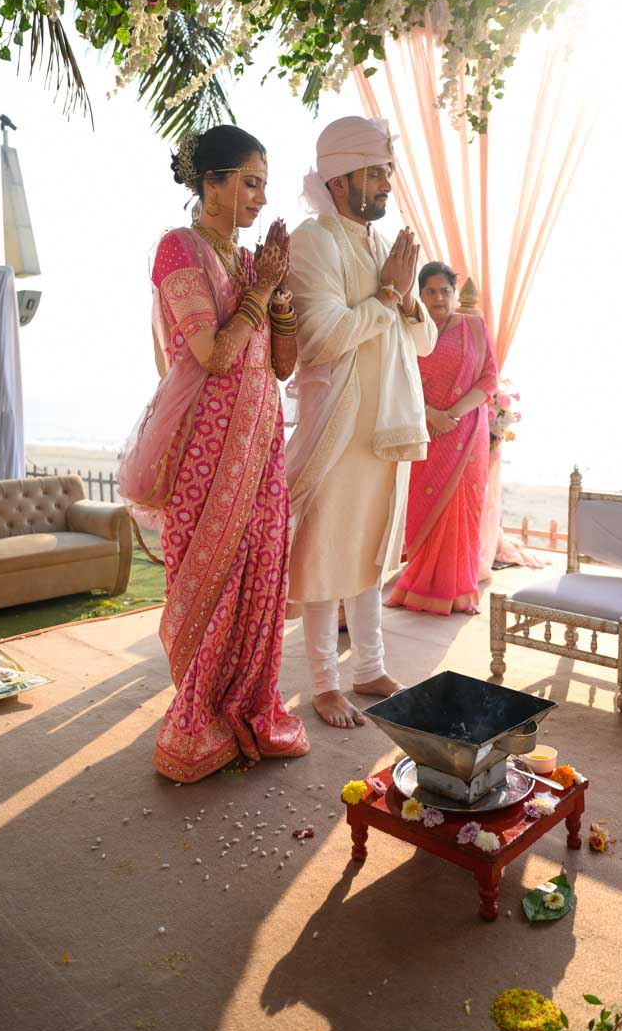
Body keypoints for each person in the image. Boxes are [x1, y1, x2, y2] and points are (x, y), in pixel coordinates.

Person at [118, 125, 308, 781]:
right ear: (212, 183)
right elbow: (214, 354)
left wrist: (278, 292)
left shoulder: (252, 262)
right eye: (249, 183)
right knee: (213, 577)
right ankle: (199, 718)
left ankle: (247, 707)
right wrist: (260, 291)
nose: (259, 197)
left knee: (260, 571)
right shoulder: (179, 248)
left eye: (263, 185)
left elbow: (281, 365)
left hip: (261, 444)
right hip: (207, 445)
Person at [285, 116, 437, 729]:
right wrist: (389, 297)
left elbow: (422, 342)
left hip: (387, 429)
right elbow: (320, 339)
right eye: (376, 174)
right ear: (340, 179)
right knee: (325, 555)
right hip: (340, 427)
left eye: (388, 173)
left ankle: (370, 668)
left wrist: (407, 299)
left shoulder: (380, 244)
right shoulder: (314, 241)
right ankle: (325, 683)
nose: (386, 185)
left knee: (370, 553)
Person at [387, 262, 498, 615]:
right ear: (419, 295)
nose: (439, 298)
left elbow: (489, 379)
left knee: (462, 508)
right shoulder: (408, 329)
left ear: (454, 294)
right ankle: (418, 585)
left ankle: (459, 591)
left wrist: (452, 414)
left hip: (465, 433)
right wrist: (430, 414)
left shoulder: (475, 327)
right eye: (431, 291)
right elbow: (398, 379)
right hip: (423, 430)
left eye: (445, 291)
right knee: (423, 504)